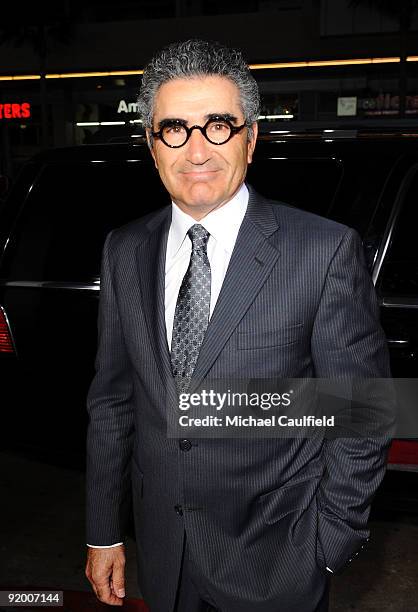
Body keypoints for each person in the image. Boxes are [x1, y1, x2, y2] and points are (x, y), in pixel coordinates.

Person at [85, 39, 392, 612]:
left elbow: (363, 407)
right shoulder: (124, 250)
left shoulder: (322, 250)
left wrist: (330, 544)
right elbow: (113, 402)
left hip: (276, 561)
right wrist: (104, 532)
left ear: (251, 138)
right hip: (163, 558)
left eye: (218, 126)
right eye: (174, 128)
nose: (196, 149)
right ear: (152, 146)